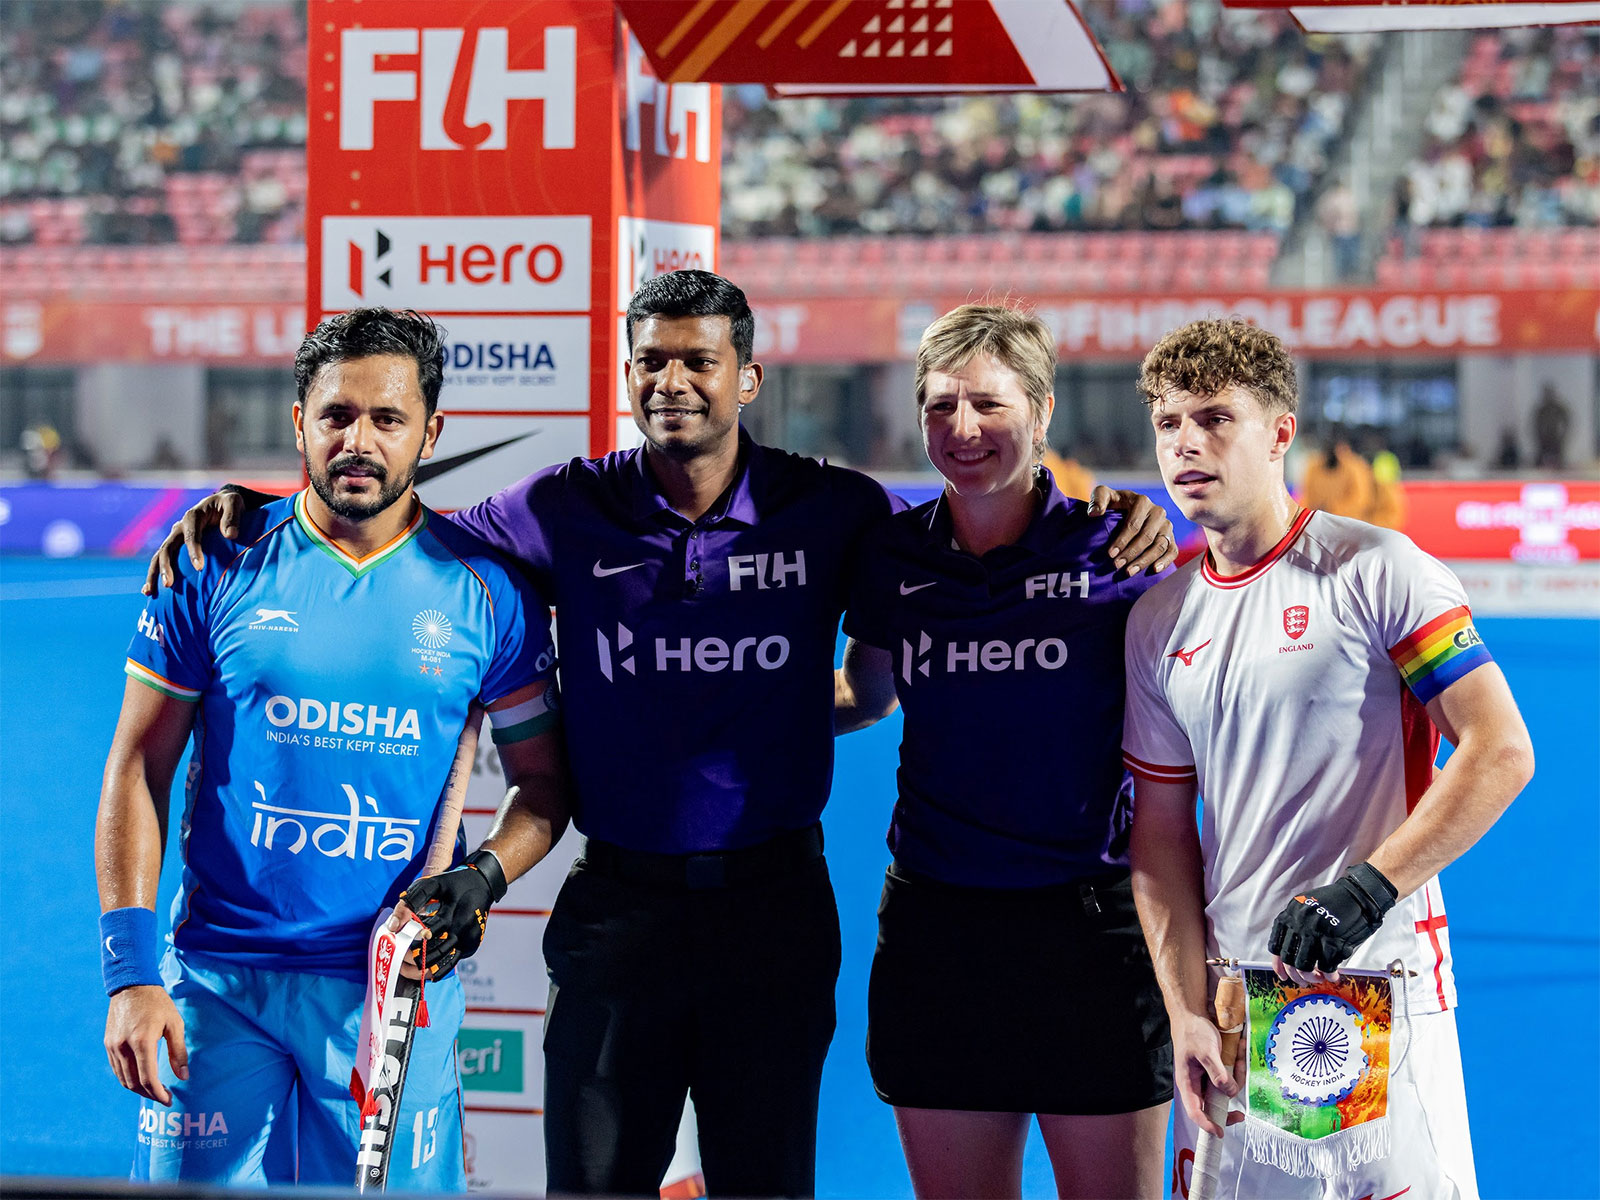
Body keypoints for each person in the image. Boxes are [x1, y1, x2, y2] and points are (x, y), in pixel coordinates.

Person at [145, 271, 1176, 1197]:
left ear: (749, 379)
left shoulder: (836, 512)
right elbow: (405, 529)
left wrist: (1123, 513)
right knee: (592, 1188)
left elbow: (908, 630)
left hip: (775, 912)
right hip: (618, 911)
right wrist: (257, 503)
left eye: (698, 360)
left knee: (763, 1185)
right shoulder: (561, 505)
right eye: (650, 361)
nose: (671, 380)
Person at [97, 307, 567, 1188]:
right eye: (337, 416)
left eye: (387, 420)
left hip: (388, 996)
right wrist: (129, 973)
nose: (359, 440)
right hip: (213, 985)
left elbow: (543, 787)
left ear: (431, 431)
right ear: (299, 423)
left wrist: (484, 875)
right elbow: (138, 769)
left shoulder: (489, 592)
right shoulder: (216, 561)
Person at [1121, 318, 1534, 1198]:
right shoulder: (1158, 622)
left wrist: (1369, 888)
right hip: (1238, 1005)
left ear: (1280, 432)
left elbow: (1500, 750)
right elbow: (1160, 837)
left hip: (1370, 982)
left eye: (1213, 418)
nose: (1186, 443)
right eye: (1167, 424)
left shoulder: (1378, 570)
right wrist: (1185, 1011)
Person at [835, 305, 1176, 1199]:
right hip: (937, 929)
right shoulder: (892, 554)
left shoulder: (1118, 549)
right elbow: (863, 695)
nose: (963, 430)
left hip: (1094, 932)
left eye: (988, 405)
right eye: (940, 407)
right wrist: (687, 703)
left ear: (1043, 409)